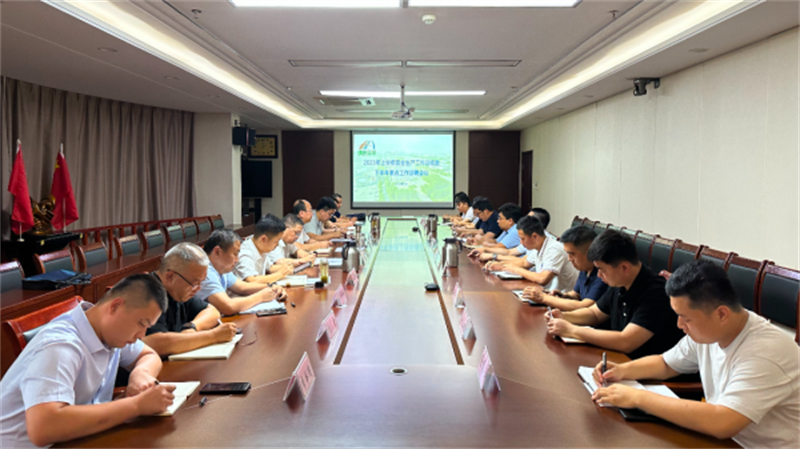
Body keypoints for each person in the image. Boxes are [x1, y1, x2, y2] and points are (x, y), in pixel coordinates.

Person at [591, 260, 799, 448]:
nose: (679, 325)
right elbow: (666, 364)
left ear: (721, 314)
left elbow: (723, 422)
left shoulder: (765, 353)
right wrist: (621, 370)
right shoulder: (712, 331)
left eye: (686, 318)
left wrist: (637, 397)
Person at [0, 275, 176, 448]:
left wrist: (141, 374)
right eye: (141, 323)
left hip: (74, 439)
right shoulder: (60, 346)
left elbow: (148, 355)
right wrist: (135, 406)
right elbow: (43, 428)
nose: (142, 335)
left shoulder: (109, 332)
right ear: (115, 306)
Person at [545, 230, 684, 359]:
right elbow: (594, 314)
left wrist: (571, 330)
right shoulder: (620, 283)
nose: (599, 275)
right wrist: (563, 316)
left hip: (645, 368)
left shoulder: (656, 293)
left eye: (602, 270)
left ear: (624, 267)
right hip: (618, 359)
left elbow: (626, 342)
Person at [142, 242, 238, 356]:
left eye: (200, 283)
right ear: (170, 276)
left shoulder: (179, 291)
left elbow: (212, 311)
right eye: (194, 283)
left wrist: (192, 327)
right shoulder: (147, 293)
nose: (198, 289)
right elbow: (154, 343)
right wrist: (213, 336)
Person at [197, 229, 286, 316]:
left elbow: (243, 287)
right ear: (217, 251)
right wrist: (261, 297)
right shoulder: (205, 272)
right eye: (235, 254)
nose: (237, 260)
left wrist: (271, 287)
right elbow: (228, 307)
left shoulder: (220, 268)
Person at [523, 225, 608, 311]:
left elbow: (585, 306)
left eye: (572, 254)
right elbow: (576, 294)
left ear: (589, 253)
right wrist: (562, 295)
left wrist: (543, 298)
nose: (569, 259)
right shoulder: (584, 269)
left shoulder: (602, 274)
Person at [486, 215, 579, 292]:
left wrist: (515, 269)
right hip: (546, 293)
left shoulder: (554, 249)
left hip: (562, 297)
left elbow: (543, 279)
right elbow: (524, 263)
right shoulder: (539, 247)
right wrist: (500, 265)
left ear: (535, 236)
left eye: (523, 239)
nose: (521, 242)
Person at [233, 214, 293, 284]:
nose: (277, 245)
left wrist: (286, 268)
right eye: (276, 241)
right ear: (263, 239)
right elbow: (252, 280)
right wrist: (280, 274)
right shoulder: (245, 253)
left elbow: (270, 268)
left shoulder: (260, 247)